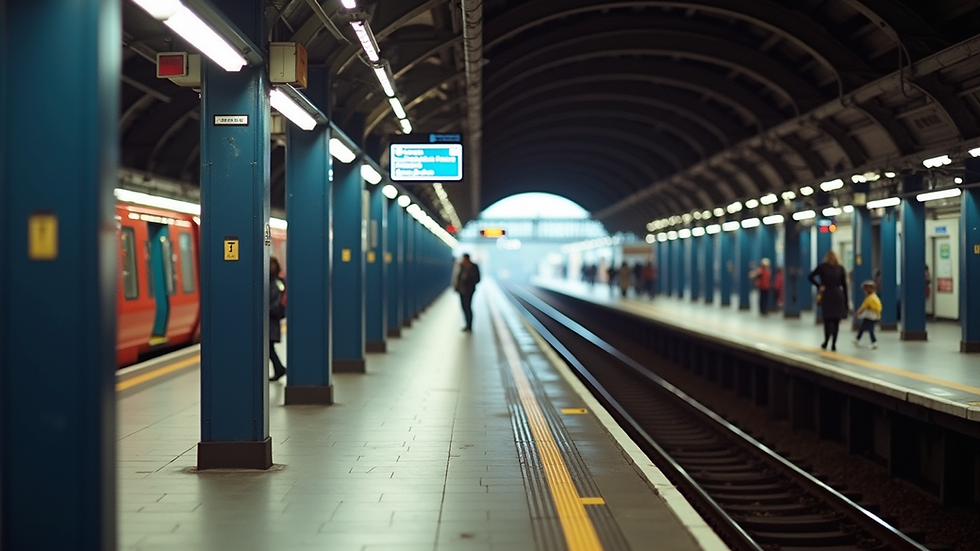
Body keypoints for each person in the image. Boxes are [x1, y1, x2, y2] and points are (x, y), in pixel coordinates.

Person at [808, 250, 849, 351]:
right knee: (836, 321)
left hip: (827, 295)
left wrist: (819, 286)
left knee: (827, 320)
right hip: (838, 295)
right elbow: (845, 286)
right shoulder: (841, 268)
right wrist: (846, 302)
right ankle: (834, 344)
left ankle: (826, 342)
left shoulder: (823, 267)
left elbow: (810, 277)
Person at [268, 257, 287, 382]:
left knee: (268, 347)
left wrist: (269, 310)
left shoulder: (277, 282)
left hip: (271, 320)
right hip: (269, 320)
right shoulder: (266, 281)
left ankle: (279, 368)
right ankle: (279, 368)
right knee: (268, 347)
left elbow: (279, 300)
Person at [453, 253, 481, 332]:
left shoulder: (473, 267)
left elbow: (478, 279)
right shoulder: (461, 266)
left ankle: (469, 325)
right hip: (461, 290)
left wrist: (469, 279)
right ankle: (467, 324)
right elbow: (457, 277)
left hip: (469, 290)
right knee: (464, 307)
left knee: (468, 306)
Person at [853, 280, 882, 349]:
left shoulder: (869, 298)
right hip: (874, 316)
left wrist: (858, 312)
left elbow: (863, 307)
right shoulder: (874, 296)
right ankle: (857, 339)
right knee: (862, 328)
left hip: (870, 316)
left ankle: (874, 342)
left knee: (870, 329)